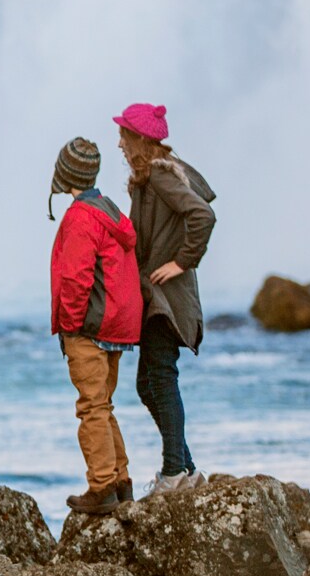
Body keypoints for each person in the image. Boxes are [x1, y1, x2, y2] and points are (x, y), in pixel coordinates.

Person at [114, 102, 217, 496]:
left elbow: (202, 215)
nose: (120, 144)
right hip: (160, 298)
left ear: (139, 139)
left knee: (159, 378)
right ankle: (186, 469)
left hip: (165, 300)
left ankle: (173, 472)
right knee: (149, 383)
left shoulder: (159, 175)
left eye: (124, 135)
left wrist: (181, 262)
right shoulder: (159, 173)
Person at [47, 137, 143, 514]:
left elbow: (76, 279)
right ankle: (120, 482)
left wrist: (70, 327)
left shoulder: (80, 217)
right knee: (104, 405)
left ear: (63, 174)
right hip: (118, 325)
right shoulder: (112, 211)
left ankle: (101, 485)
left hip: (89, 327)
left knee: (91, 408)